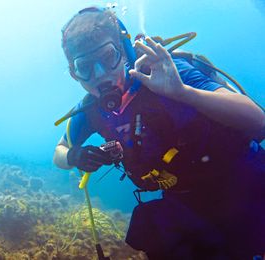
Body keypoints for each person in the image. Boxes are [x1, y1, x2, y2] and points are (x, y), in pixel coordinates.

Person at [53, 7, 265, 259]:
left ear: (124, 52)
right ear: (73, 73)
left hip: (246, 183)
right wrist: (74, 156)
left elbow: (258, 121)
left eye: (108, 57)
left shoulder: (165, 73)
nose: (100, 75)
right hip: (186, 203)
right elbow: (59, 151)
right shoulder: (90, 112)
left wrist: (182, 93)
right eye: (85, 67)